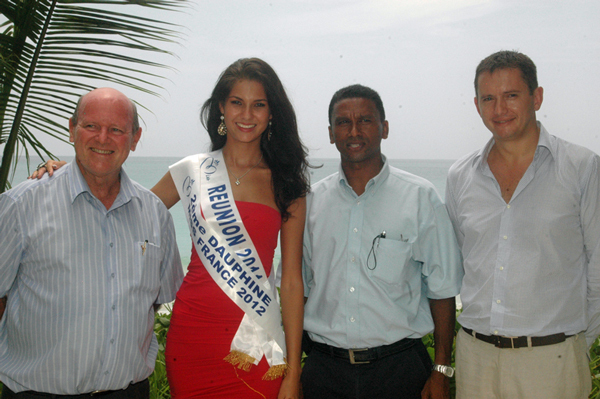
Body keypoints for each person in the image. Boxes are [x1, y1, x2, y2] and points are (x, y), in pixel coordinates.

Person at [33, 58, 308, 399]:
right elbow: (129, 208)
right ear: (221, 107)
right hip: (192, 339)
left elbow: (293, 283)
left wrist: (293, 373)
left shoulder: (287, 185)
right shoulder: (192, 172)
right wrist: (79, 170)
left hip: (257, 343)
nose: (246, 115)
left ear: (271, 113)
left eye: (258, 105)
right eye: (237, 102)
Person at [0, 88, 184, 398]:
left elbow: (156, 301)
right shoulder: (20, 206)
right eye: (91, 126)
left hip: (128, 392)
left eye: (116, 129)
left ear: (135, 138)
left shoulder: (155, 214)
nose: (102, 138)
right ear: (72, 129)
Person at [445, 50, 600, 398]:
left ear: (537, 97)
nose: (499, 109)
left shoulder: (582, 168)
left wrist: (576, 343)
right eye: (489, 98)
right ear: (476, 105)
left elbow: (599, 269)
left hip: (552, 361)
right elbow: (458, 265)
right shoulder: (459, 177)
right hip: (475, 360)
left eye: (511, 95)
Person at [301, 84, 463, 399]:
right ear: (332, 133)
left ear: (384, 128)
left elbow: (442, 290)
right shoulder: (310, 203)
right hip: (325, 371)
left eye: (365, 120)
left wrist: (441, 370)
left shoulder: (419, 197)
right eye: (343, 122)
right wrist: (294, 368)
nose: (354, 131)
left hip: (400, 370)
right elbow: (300, 290)